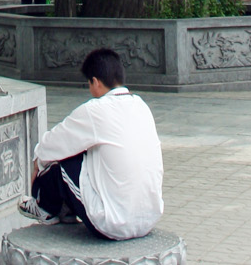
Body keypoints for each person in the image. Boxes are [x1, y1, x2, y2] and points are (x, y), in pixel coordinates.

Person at [18, 46, 164, 240]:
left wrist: (37, 163)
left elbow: (51, 144)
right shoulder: (141, 106)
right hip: (149, 218)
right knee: (89, 153)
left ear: (95, 82)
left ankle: (44, 208)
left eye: (89, 83)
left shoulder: (95, 110)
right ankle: (66, 210)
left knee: (58, 161)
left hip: (113, 224)